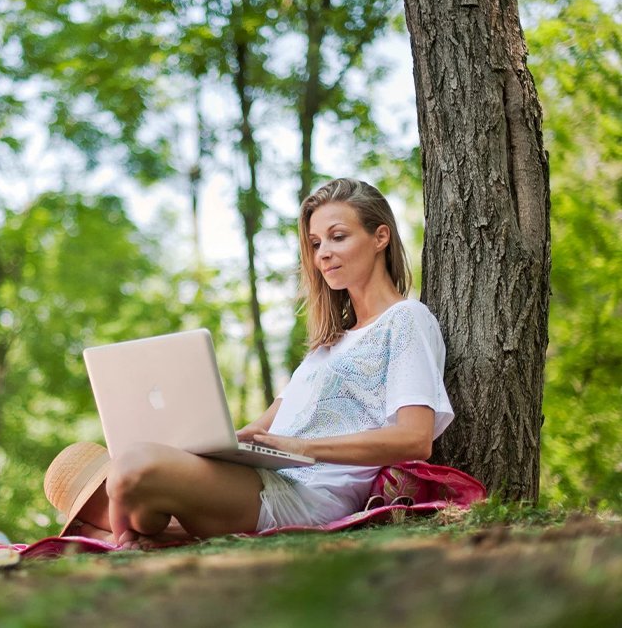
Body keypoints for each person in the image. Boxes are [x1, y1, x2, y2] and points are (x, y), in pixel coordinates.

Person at [43, 178, 454, 547]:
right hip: (263, 477)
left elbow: (414, 439)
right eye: (315, 244)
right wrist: (213, 443)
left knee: (131, 470)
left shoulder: (405, 320)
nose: (323, 254)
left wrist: (300, 447)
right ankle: (134, 531)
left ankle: (124, 536)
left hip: (308, 495)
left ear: (380, 237)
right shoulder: (326, 347)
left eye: (337, 237)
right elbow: (263, 427)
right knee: (122, 470)